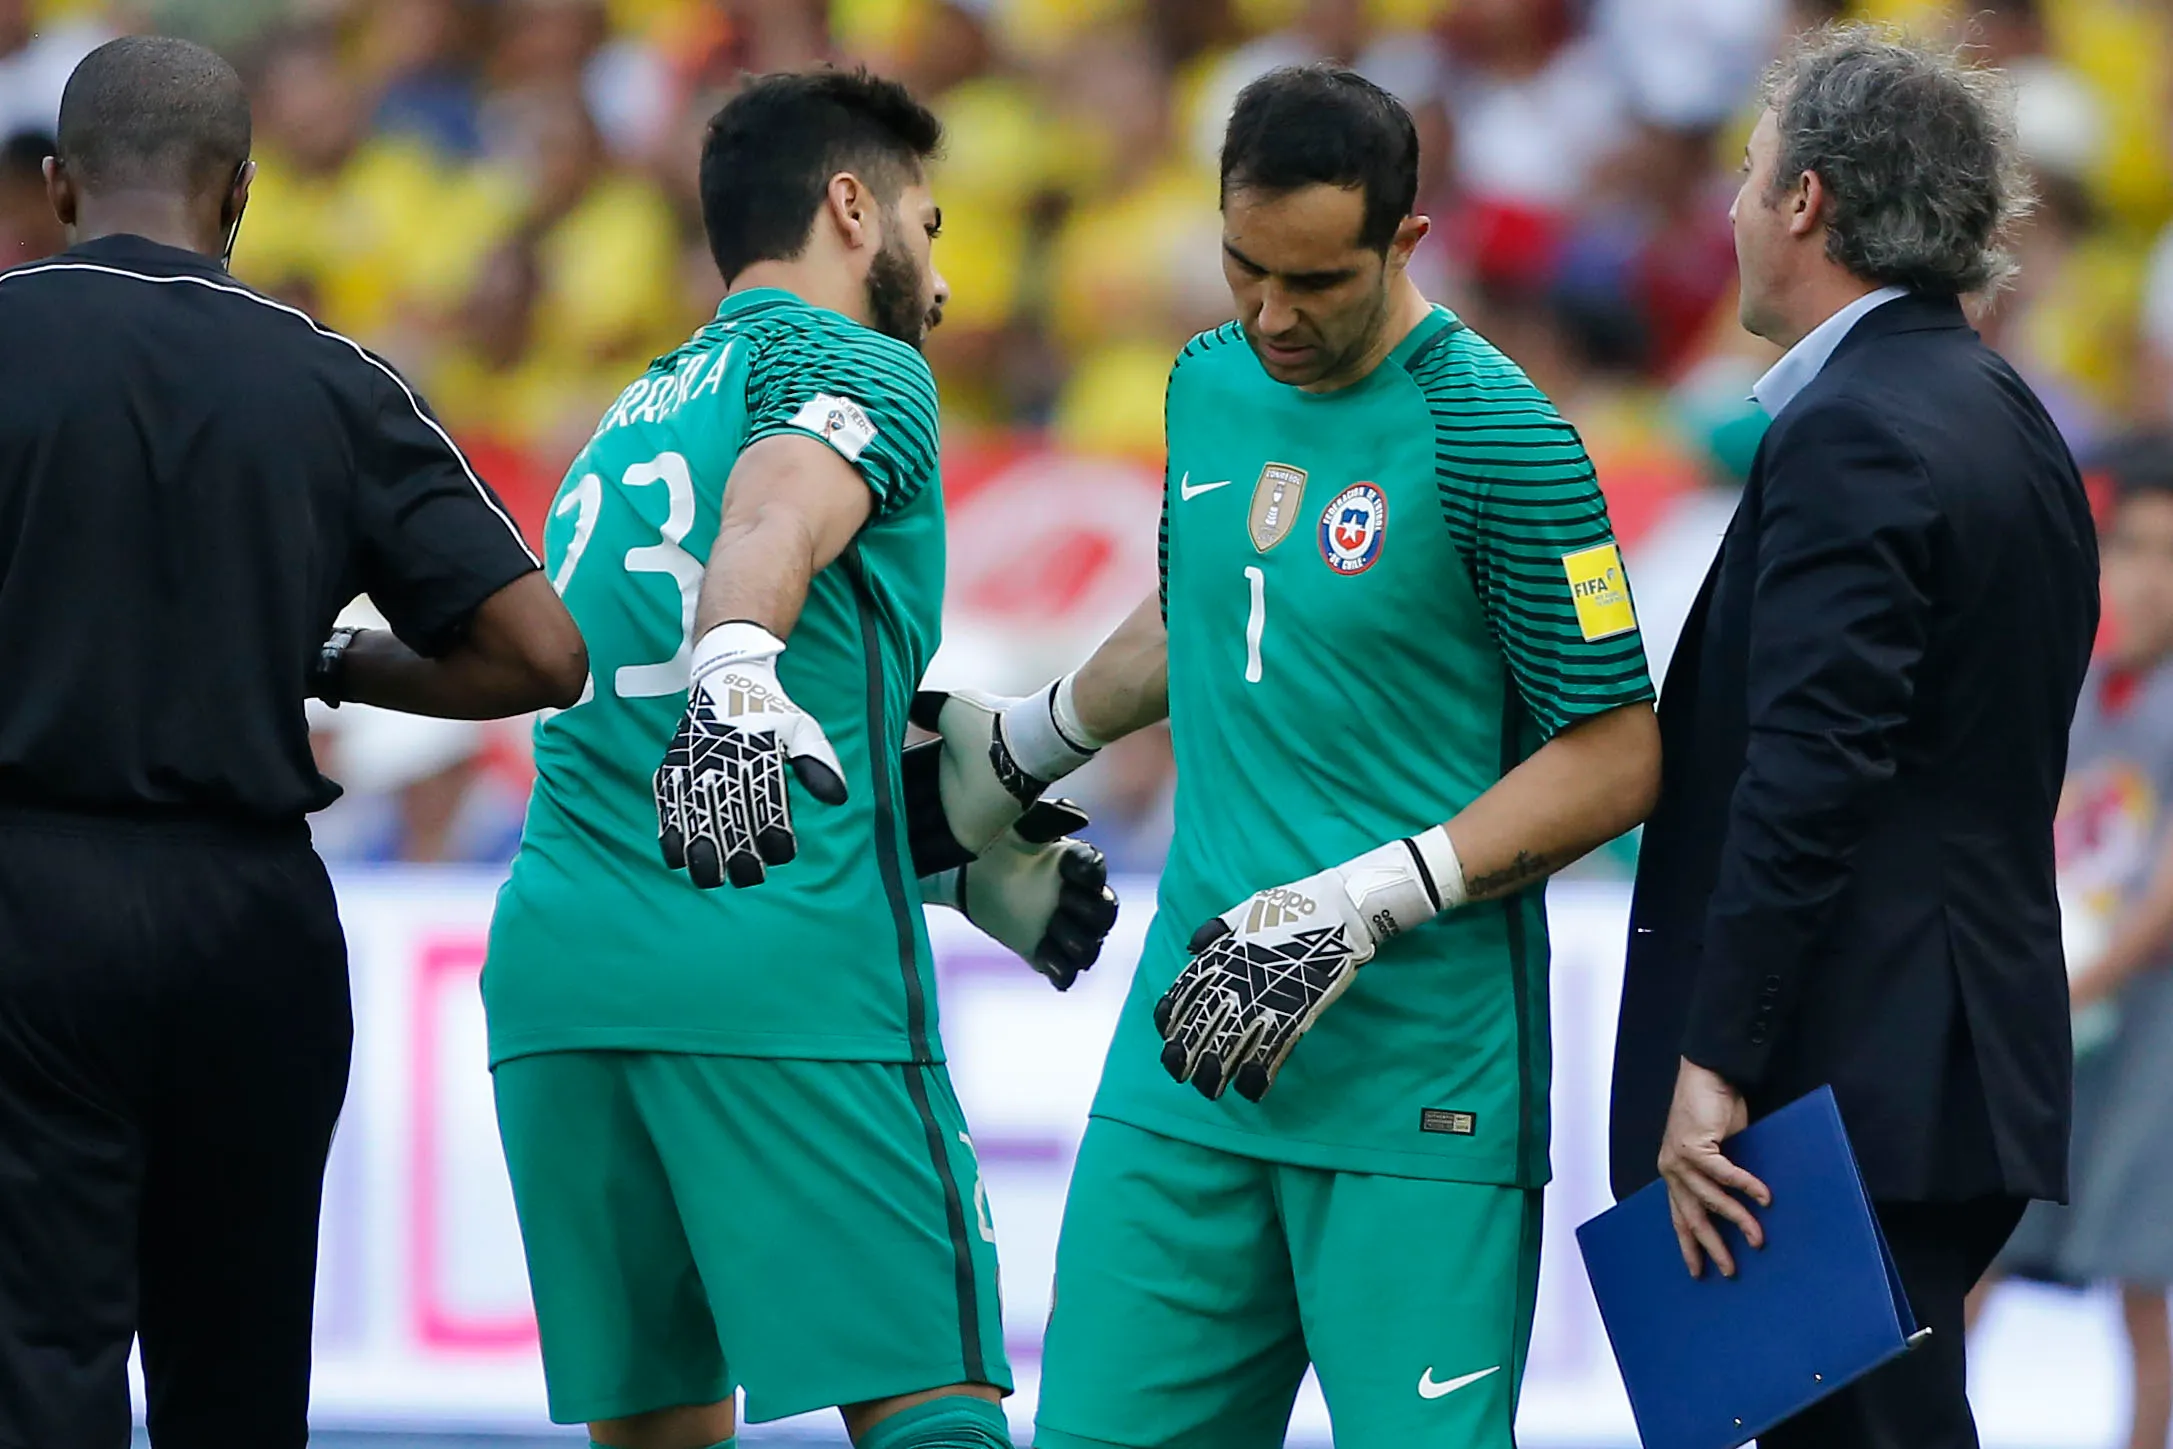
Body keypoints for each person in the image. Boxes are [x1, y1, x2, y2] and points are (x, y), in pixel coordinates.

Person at [911, 64, 1662, 1449]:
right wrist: (1020, 745)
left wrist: (1359, 901)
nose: (1270, 314)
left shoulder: (1502, 439)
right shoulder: (1206, 381)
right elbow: (1206, 614)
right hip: (1188, 1057)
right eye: (1243, 267)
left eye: (1315, 281)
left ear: (1406, 244)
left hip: (1416, 1092)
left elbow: (1618, 754)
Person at [482, 69, 1117, 1449]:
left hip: (558, 976)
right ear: (850, 205)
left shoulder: (624, 416)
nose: (939, 281)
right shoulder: (852, 360)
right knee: (930, 1394)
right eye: (929, 226)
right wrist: (737, 661)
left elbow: (719, 712)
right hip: (771, 960)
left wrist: (937, 852)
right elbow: (774, 519)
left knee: (658, 1428)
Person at [0, 35, 584, 1449]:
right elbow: (540, 652)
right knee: (238, 1371)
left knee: (41, 1357)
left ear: (61, 186)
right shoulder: (331, 380)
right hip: (251, 916)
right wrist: (325, 654)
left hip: (26, 905)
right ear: (243, 193)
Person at [1608, 26, 2098, 1449]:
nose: (1732, 210)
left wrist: (1719, 1057)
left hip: (1840, 1072)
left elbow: (1812, 770)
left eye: (1748, 178)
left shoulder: (1857, 429)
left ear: (1808, 200)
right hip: (1941, 1048)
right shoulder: (2002, 409)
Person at [1979, 433, 2173, 1449]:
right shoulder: (2083, 693)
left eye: (2168, 556)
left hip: (2145, 1039)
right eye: (2130, 549)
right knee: (1980, 1252)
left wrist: (2063, 987)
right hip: (2058, 1024)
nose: (2145, 580)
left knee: (2145, 1290)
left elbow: (2163, 898)